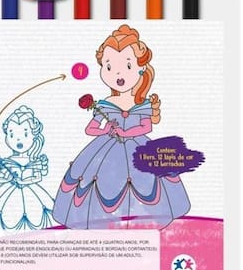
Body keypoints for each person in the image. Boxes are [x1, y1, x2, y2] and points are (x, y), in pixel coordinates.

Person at [53, 25, 190, 229]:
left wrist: (126, 133)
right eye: (109, 67)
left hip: (138, 148)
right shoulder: (104, 104)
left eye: (127, 66)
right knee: (102, 181)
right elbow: (90, 129)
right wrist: (104, 130)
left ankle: (140, 224)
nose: (118, 73)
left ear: (141, 68)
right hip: (105, 150)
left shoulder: (141, 103)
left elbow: (146, 127)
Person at [0, 105, 54, 230]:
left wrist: (24, 181)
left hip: (32, 195)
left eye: (25, 134)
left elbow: (37, 177)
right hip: (9, 194)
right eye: (12, 134)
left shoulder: (34, 161)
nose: (18, 139)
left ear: (34, 137)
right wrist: (8, 178)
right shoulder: (7, 162)